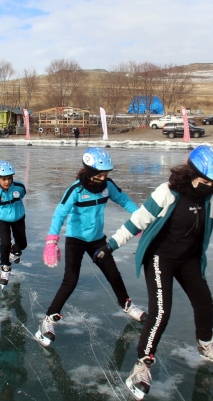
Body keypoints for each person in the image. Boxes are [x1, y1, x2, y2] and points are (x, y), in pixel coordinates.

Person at [97, 145, 213, 400]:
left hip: (189, 259)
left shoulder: (212, 197)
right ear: (192, 173)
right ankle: (142, 365)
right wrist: (111, 245)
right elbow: (138, 221)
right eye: (206, 181)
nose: (210, 186)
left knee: (204, 303)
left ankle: (205, 346)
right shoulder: (168, 192)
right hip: (161, 258)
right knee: (160, 313)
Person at [34, 147, 147, 347]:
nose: (103, 178)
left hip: (97, 240)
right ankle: (48, 319)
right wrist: (52, 240)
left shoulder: (108, 186)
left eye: (106, 175)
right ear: (89, 172)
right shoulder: (76, 189)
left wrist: (140, 222)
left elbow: (125, 201)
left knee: (113, 274)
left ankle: (127, 305)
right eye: (99, 175)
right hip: (76, 240)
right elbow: (60, 214)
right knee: (71, 280)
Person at [0, 161, 27, 289]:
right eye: (4, 179)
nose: (7, 182)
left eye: (9, 178)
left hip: (18, 218)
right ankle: (5, 267)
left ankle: (14, 251)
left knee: (22, 245)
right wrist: (2, 212)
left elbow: (23, 194)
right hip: (3, 219)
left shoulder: (19, 187)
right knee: (4, 243)